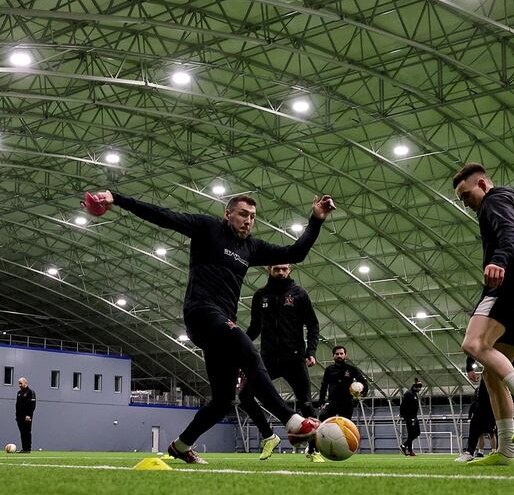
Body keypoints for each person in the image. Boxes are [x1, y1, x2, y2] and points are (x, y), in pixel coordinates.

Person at [85, 191, 336, 464]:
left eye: (252, 217)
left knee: (223, 400)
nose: (248, 221)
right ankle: (291, 420)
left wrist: (316, 219)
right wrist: (119, 199)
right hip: (201, 313)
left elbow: (295, 253)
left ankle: (181, 446)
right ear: (228, 214)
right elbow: (164, 216)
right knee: (249, 351)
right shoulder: (207, 228)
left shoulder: (251, 248)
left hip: (221, 326)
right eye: (242, 214)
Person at [454, 163, 514, 467]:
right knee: (492, 372)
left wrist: (499, 261)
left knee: (473, 344)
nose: (465, 203)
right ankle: (508, 451)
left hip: (511, 285)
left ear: (482, 184)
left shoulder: (495, 200)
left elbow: (508, 232)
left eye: (466, 195)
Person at [238, 263, 323, 461]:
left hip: (294, 358)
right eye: (277, 269)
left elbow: (313, 324)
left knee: (307, 405)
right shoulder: (260, 296)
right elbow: (254, 328)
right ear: (269, 269)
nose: (281, 272)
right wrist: (237, 342)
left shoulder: (299, 294)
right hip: (267, 359)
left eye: (284, 269)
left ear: (290, 270)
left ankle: (313, 449)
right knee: (245, 395)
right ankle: (269, 436)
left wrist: (310, 351)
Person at [455, 359, 496, 462]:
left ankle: (500, 450)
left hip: (504, 373)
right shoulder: (479, 390)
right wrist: (469, 367)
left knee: (493, 433)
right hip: (490, 373)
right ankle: (471, 451)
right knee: (477, 421)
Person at [318, 345, 369, 422]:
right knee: (323, 417)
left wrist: (363, 392)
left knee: (344, 424)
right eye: (337, 354)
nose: (339, 356)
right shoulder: (329, 369)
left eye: (341, 354)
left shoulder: (351, 369)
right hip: (332, 401)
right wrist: (321, 401)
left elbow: (363, 381)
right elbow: (324, 385)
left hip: (347, 403)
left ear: (345, 355)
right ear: (333, 356)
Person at [399, 378, 422, 456]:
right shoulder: (409, 394)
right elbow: (403, 405)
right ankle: (404, 446)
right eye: (419, 387)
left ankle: (409, 450)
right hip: (410, 417)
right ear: (415, 386)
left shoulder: (414, 394)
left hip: (413, 416)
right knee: (415, 433)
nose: (420, 389)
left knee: (413, 433)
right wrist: (405, 416)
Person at [15, 377, 36, 453]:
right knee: (22, 433)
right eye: (19, 383)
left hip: (27, 417)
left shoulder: (31, 392)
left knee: (27, 432)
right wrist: (17, 416)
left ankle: (28, 448)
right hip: (19, 417)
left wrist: (29, 415)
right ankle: (24, 448)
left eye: (21, 383)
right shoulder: (19, 393)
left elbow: (32, 405)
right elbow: (17, 405)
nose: (19, 385)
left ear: (25, 383)